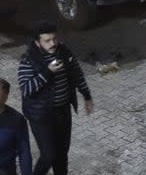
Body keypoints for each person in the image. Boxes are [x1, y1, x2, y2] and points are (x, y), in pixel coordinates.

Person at [17, 22, 93, 174]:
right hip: (41, 115)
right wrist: (48, 72)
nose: (53, 43)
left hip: (63, 111)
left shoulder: (63, 52)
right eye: (47, 41)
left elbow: (76, 73)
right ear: (38, 42)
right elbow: (27, 89)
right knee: (49, 155)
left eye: (54, 39)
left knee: (61, 154)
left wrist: (86, 96)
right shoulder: (29, 59)